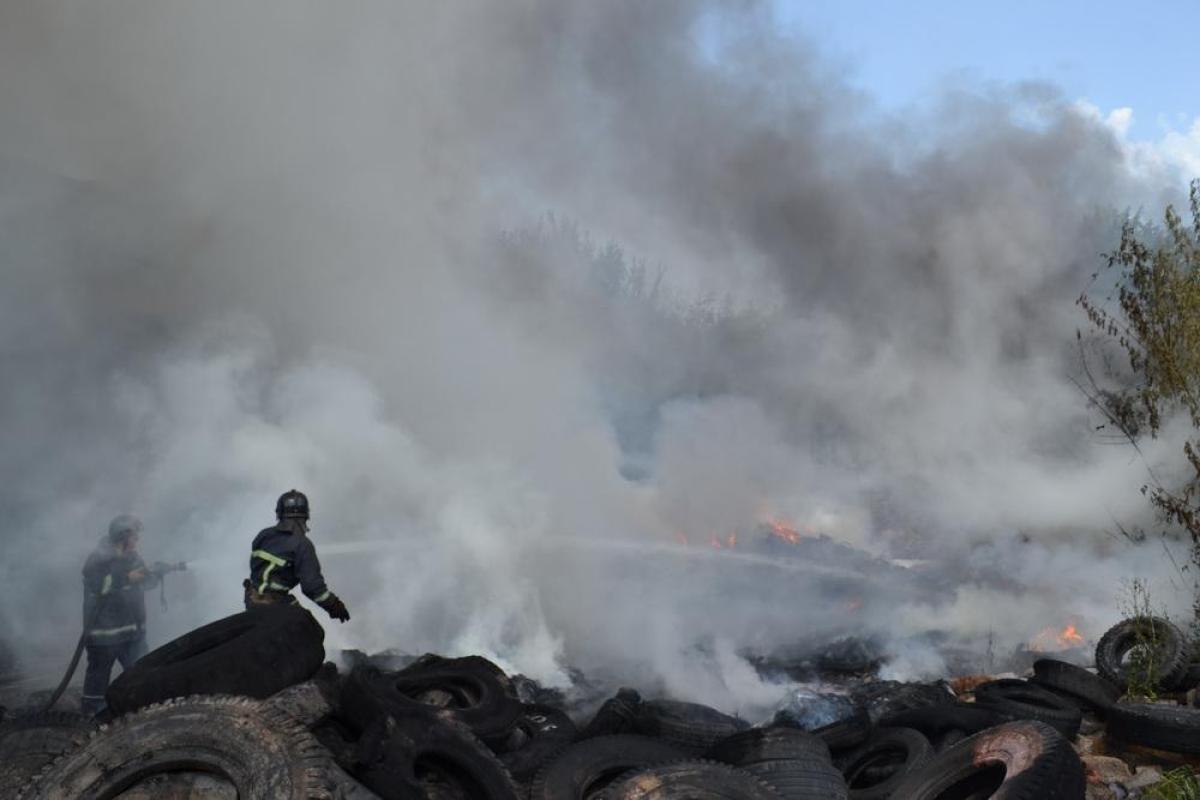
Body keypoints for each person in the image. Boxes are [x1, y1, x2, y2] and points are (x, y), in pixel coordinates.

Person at [80, 514, 158, 716]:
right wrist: (126, 578)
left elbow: (144, 584)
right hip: (103, 636)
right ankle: (90, 719)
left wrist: (154, 575)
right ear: (122, 536)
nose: (137, 540)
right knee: (97, 681)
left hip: (133, 634)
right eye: (134, 536)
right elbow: (97, 585)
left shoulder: (133, 557)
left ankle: (143, 713)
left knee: (143, 675)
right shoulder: (98, 558)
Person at [244, 489, 350, 623]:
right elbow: (312, 588)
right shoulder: (302, 545)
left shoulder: (264, 535)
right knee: (309, 628)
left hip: (251, 598)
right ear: (305, 517)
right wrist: (334, 606)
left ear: (279, 514)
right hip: (275, 604)